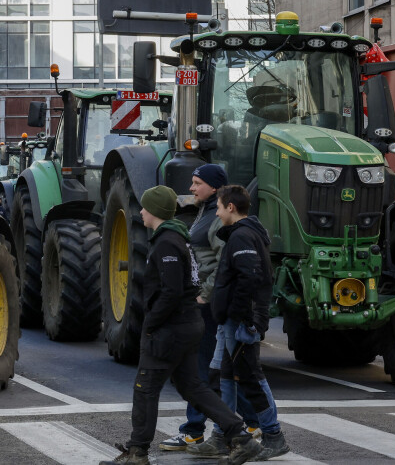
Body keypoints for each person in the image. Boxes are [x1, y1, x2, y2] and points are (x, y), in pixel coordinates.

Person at [100, 185, 262, 465]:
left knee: (145, 388)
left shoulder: (167, 243)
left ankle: (137, 452)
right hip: (187, 324)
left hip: (171, 328)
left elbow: (172, 290)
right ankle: (241, 437)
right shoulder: (176, 238)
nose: (141, 211)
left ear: (154, 211)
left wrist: (150, 323)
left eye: (144, 207)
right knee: (193, 388)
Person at [159, 165, 261, 453]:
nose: (191, 188)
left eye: (197, 183)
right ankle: (251, 423)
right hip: (209, 302)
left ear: (214, 187)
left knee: (200, 370)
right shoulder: (205, 213)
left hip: (209, 305)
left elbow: (221, 263)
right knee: (221, 370)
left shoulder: (216, 221)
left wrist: (203, 296)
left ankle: (193, 431)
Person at [211, 184, 289, 464]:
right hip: (237, 319)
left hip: (240, 322)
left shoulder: (242, 237)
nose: (217, 213)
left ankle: (273, 436)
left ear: (230, 207)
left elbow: (249, 279)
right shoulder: (245, 234)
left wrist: (241, 317)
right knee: (228, 377)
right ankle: (223, 436)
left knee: (251, 377)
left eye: (219, 207)